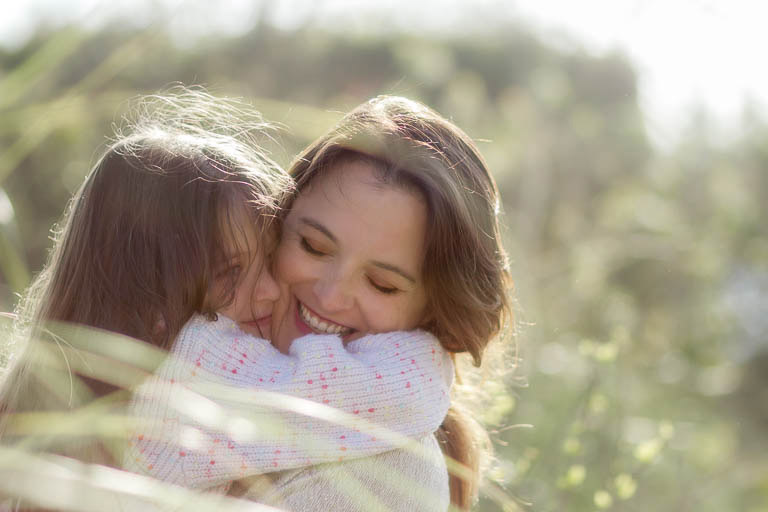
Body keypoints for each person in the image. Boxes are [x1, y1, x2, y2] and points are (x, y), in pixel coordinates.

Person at [0, 90, 453, 510]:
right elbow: (381, 395)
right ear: (151, 303)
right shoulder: (188, 370)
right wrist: (432, 358)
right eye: (231, 273)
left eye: (267, 256)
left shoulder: (47, 388)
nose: (272, 290)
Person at [252, 95, 512, 511]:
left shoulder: (389, 476)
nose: (330, 295)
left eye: (381, 284)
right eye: (313, 247)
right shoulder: (178, 343)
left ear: (433, 310)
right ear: (275, 220)